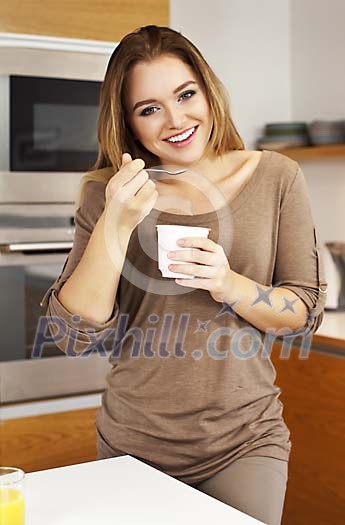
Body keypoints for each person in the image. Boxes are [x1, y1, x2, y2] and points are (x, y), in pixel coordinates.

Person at [40, 25, 327, 525]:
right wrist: (117, 221)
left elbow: (302, 314)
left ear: (208, 92)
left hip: (244, 440)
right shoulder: (108, 194)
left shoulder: (277, 177)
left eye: (185, 94)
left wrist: (228, 283)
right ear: (129, 125)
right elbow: (72, 334)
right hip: (133, 444)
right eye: (149, 109)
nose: (176, 120)